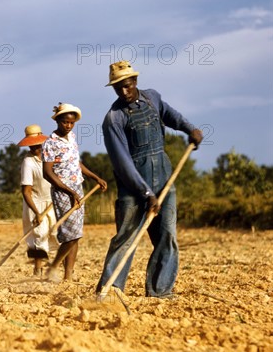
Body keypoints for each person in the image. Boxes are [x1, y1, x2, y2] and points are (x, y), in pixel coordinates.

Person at [96, 61, 203, 299]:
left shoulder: (153, 98)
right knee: (126, 238)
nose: (124, 91)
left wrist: (190, 129)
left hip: (164, 177)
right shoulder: (113, 119)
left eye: (127, 85)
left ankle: (160, 290)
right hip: (132, 187)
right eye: (118, 88)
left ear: (135, 81)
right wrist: (146, 194)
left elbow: (170, 115)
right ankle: (110, 292)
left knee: (167, 235)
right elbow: (122, 163)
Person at [42, 103, 107, 282]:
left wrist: (95, 177)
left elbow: (75, 163)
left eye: (71, 123)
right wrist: (69, 192)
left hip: (77, 188)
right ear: (57, 121)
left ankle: (67, 276)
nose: (68, 126)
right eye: (65, 122)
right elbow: (47, 173)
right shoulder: (50, 143)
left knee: (76, 234)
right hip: (62, 192)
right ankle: (54, 266)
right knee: (71, 234)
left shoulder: (71, 137)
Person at [17, 124, 58, 276]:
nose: (37, 148)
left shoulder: (50, 156)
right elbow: (26, 192)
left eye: (39, 144)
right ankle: (38, 271)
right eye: (33, 145)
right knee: (39, 237)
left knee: (57, 234)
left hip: (52, 201)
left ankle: (61, 271)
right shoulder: (28, 162)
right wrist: (37, 213)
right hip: (35, 203)